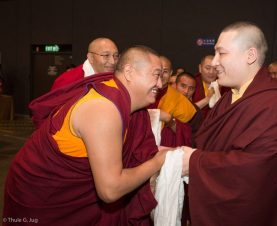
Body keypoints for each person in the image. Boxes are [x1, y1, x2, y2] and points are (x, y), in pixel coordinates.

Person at [3, 46, 169, 225]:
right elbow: (110, 190)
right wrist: (158, 161)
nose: (160, 84)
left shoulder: (118, 96)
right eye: (156, 74)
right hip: (41, 195)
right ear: (129, 72)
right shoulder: (103, 109)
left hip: (63, 189)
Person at [182, 21, 277, 226]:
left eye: (221, 53)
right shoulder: (229, 97)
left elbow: (256, 172)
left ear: (250, 56)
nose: (214, 62)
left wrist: (195, 161)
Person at [51, 37, 119, 90]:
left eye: (116, 56)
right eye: (106, 55)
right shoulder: (67, 81)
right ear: (91, 58)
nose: (112, 62)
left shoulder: (118, 79)